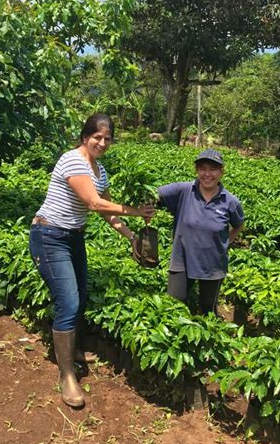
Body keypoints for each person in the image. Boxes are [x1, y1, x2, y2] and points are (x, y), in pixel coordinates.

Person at [29, 113, 154, 408]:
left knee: (80, 295)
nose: (102, 142)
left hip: (73, 237)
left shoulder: (101, 171)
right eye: (97, 136)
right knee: (69, 301)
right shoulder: (72, 159)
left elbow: (106, 213)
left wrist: (132, 236)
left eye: (107, 138)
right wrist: (136, 210)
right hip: (48, 235)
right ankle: (67, 376)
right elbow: (93, 202)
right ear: (85, 136)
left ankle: (72, 349)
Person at [157, 148, 244, 316]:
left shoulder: (230, 201)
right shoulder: (183, 190)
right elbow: (154, 194)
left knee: (207, 311)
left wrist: (226, 241)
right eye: (203, 168)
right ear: (196, 170)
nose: (207, 174)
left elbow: (239, 224)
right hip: (182, 260)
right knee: (172, 307)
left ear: (221, 172)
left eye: (213, 169)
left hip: (212, 265)